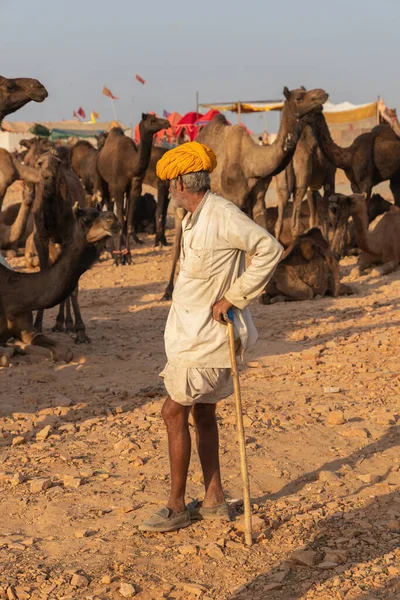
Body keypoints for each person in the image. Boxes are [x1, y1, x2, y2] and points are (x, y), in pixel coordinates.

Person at [139, 142, 283, 532]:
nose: (169, 191)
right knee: (203, 411)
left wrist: (234, 296)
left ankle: (175, 506)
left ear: (184, 181)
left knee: (173, 411)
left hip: (207, 338)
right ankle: (215, 499)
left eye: (171, 184)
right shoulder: (192, 218)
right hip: (190, 337)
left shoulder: (222, 214)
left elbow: (269, 248)